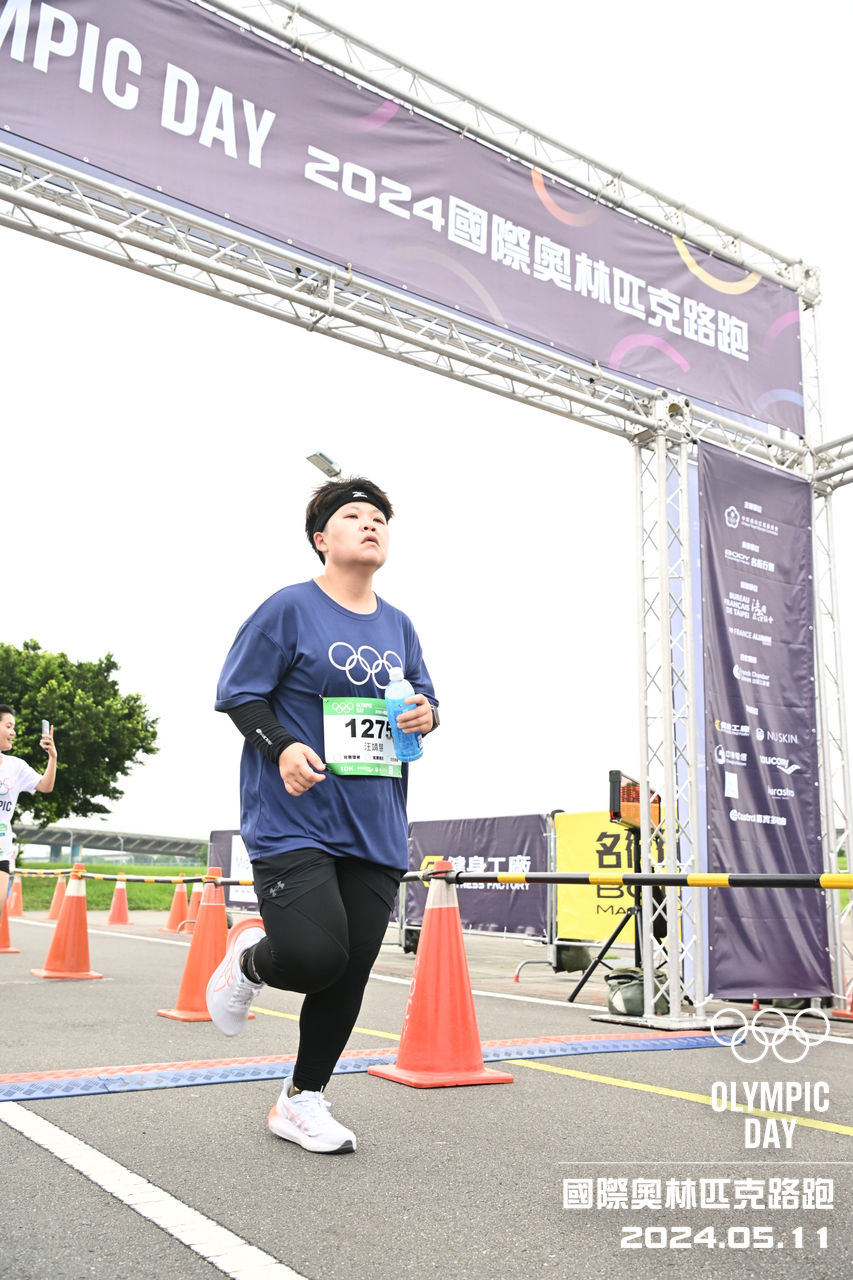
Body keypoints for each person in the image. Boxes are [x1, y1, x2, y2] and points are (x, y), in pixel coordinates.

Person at [208, 477, 438, 1153]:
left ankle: (301, 1099)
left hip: (375, 824)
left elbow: (425, 702)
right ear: (321, 538)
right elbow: (239, 694)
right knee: (313, 958)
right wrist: (282, 747)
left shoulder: (398, 625)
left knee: (350, 969)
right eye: (354, 516)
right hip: (295, 817)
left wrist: (428, 714)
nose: (371, 525)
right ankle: (250, 962)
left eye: (380, 519)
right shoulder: (289, 608)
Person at [0, 705, 57, 902]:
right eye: (9, 726)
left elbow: (46, 786)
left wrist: (53, 757)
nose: (13, 733)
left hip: (2, 850)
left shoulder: (15, 766)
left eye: (14, 727)